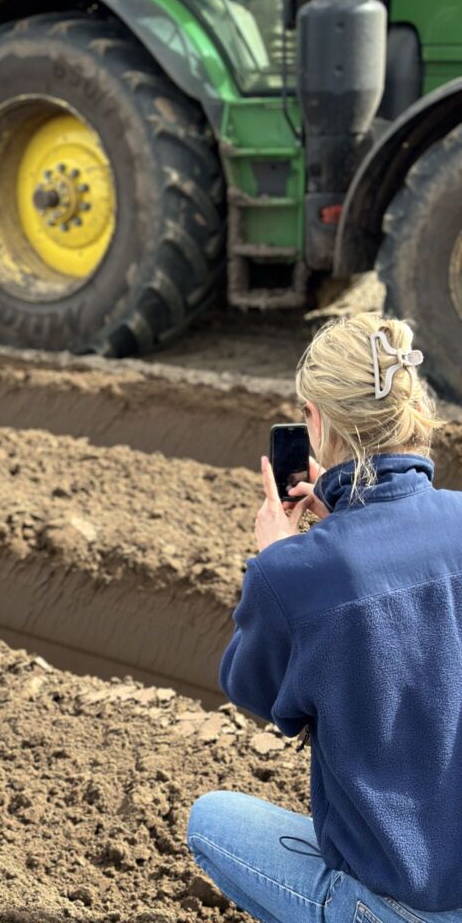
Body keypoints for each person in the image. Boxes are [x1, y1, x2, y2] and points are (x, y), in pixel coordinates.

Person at [187, 312, 462, 923]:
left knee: (211, 819)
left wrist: (283, 560)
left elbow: (255, 691)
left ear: (315, 420)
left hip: (399, 905)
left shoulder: (295, 574)